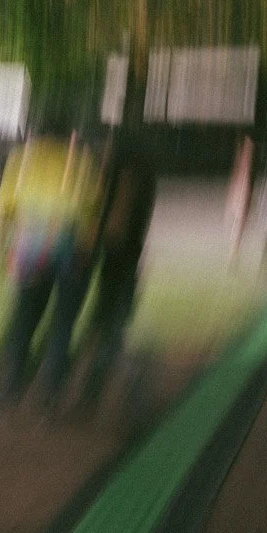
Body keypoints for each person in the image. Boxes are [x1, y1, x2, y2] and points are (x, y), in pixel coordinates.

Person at [0, 115, 101, 413]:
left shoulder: (21, 159)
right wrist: (87, 251)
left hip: (30, 248)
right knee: (63, 321)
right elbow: (92, 210)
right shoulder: (81, 160)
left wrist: (2, 252)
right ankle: (50, 391)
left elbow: (4, 209)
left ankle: (10, 387)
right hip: (69, 246)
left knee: (24, 316)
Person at [74, 128, 156, 415]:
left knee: (107, 337)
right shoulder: (143, 176)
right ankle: (95, 398)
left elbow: (116, 227)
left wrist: (89, 245)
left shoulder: (126, 178)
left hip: (118, 265)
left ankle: (127, 394)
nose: (104, 151)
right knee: (107, 334)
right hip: (127, 264)